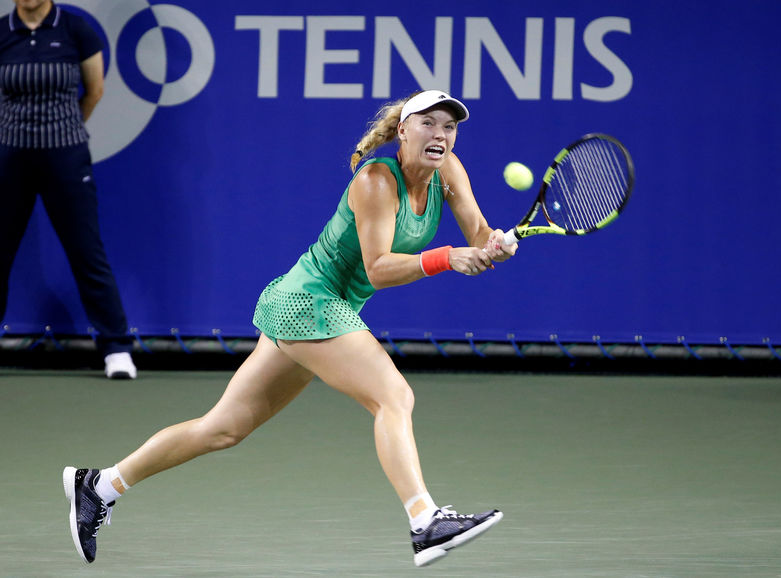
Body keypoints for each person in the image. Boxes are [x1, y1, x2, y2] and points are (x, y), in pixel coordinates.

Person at [62, 89, 518, 567]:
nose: (440, 134)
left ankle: (100, 485)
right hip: (308, 301)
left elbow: (478, 233)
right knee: (394, 397)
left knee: (223, 429)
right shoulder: (377, 181)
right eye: (429, 123)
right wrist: (448, 258)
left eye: (449, 126)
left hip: (320, 306)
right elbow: (380, 267)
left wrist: (494, 244)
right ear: (402, 130)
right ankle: (425, 522)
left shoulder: (450, 171)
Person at [0, 0, 136, 379]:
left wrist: (61, 134)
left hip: (65, 157)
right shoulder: (2, 32)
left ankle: (116, 350)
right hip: (9, 158)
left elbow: (94, 91)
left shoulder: (76, 30)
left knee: (86, 252)